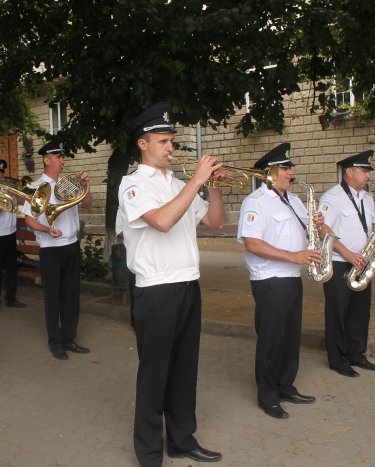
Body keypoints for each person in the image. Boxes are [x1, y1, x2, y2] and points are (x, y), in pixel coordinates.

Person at [119, 103, 226, 466]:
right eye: (163, 141)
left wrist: (212, 188)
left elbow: (214, 222)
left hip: (187, 285)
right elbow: (162, 221)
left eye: (172, 142)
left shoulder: (179, 183)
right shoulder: (132, 184)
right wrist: (197, 180)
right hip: (155, 289)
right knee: (154, 374)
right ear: (143, 144)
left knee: (184, 369)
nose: (170, 148)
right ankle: (149, 452)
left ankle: (182, 439)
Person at [236, 142, 320, 420]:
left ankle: (286, 387)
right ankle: (268, 397)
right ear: (269, 171)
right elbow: (252, 243)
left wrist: (318, 224)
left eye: (290, 167)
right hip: (270, 278)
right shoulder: (256, 202)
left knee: (290, 337)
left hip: (291, 277)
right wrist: (293, 256)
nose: (290, 171)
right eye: (285, 167)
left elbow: (305, 234)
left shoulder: (294, 200)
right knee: (272, 340)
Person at [318, 150, 375, 377]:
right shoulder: (333, 197)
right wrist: (348, 254)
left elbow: (368, 226)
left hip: (362, 261)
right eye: (364, 171)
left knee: (360, 310)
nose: (368, 176)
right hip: (340, 262)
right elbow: (323, 230)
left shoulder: (367, 198)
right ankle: (337, 359)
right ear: (350, 172)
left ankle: (357, 353)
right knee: (338, 312)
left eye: (368, 171)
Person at [23, 137, 92, 361]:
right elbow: (28, 220)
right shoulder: (35, 187)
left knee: (71, 297)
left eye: (63, 156)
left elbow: (88, 204)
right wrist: (46, 229)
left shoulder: (69, 183)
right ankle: (55, 342)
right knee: (53, 298)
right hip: (51, 248)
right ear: (47, 160)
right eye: (59, 157)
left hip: (71, 245)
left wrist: (84, 187)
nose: (63, 160)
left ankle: (69, 338)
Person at [0, 159, 26, 313]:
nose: (0, 176)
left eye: (1, 173)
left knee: (11, 268)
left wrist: (15, 192)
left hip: (10, 233)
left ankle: (11, 298)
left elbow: (22, 202)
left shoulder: (7, 188)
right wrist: (7, 194)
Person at [114, 209, 135, 330]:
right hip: (135, 256)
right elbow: (119, 232)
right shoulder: (123, 207)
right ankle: (136, 323)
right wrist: (136, 230)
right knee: (135, 292)